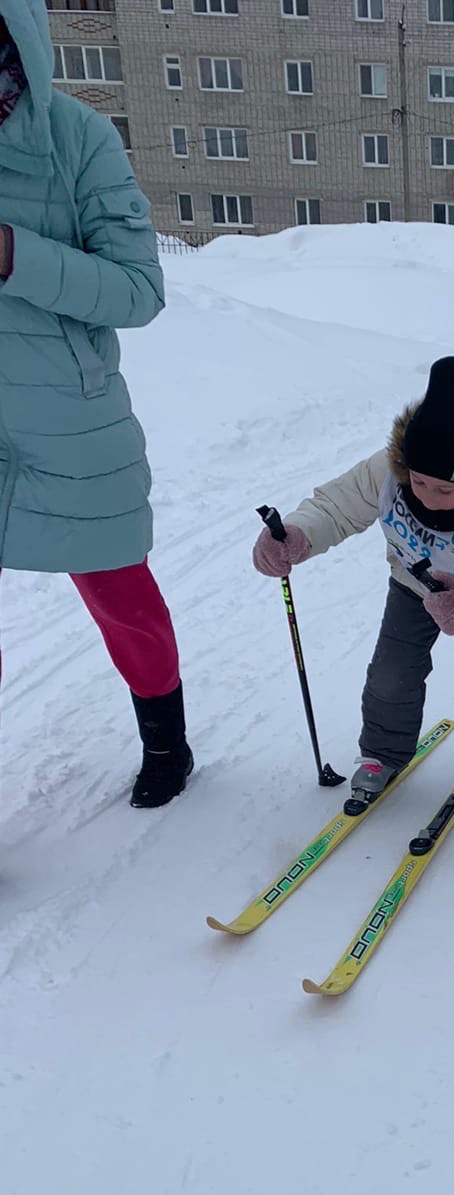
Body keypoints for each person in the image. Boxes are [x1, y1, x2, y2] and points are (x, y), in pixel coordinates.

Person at [0, 0, 192, 809]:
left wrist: (17, 255)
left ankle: (166, 744)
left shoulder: (76, 138)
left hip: (69, 423)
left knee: (124, 603)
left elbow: (140, 291)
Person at [252, 356, 454, 809]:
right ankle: (382, 753)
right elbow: (335, 507)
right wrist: (296, 537)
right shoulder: (388, 472)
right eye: (419, 481)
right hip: (412, 588)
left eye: (444, 489)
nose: (427, 496)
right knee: (391, 676)